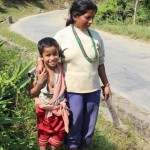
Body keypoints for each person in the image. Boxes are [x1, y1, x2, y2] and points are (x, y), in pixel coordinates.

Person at [36, 0, 112, 150]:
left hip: (93, 90)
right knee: (73, 126)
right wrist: (39, 62)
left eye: (93, 17)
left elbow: (100, 63)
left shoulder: (96, 36)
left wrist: (106, 85)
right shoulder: (62, 35)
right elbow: (48, 53)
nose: (91, 21)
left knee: (89, 127)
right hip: (71, 91)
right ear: (75, 16)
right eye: (88, 17)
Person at [30, 37, 69, 150]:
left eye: (55, 54)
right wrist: (40, 82)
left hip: (59, 111)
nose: (52, 58)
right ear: (41, 57)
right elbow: (32, 93)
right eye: (48, 55)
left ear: (59, 54)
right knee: (43, 139)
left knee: (56, 141)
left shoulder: (62, 69)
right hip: (43, 112)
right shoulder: (37, 72)